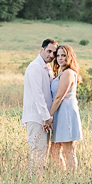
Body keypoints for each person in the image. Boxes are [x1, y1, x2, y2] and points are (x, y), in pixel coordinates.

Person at [22, 38, 57, 172]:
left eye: (54, 53)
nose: (51, 55)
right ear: (41, 50)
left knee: (42, 152)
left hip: (44, 118)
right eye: (49, 51)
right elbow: (38, 95)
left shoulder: (46, 67)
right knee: (37, 152)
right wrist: (46, 117)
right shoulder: (35, 67)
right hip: (37, 118)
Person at [48, 44, 83, 172]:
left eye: (63, 55)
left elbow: (59, 97)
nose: (60, 58)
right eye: (58, 56)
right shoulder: (61, 72)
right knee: (54, 150)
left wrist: (48, 116)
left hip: (66, 113)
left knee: (69, 151)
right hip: (59, 113)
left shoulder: (68, 73)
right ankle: (62, 177)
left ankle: (71, 181)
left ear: (69, 56)